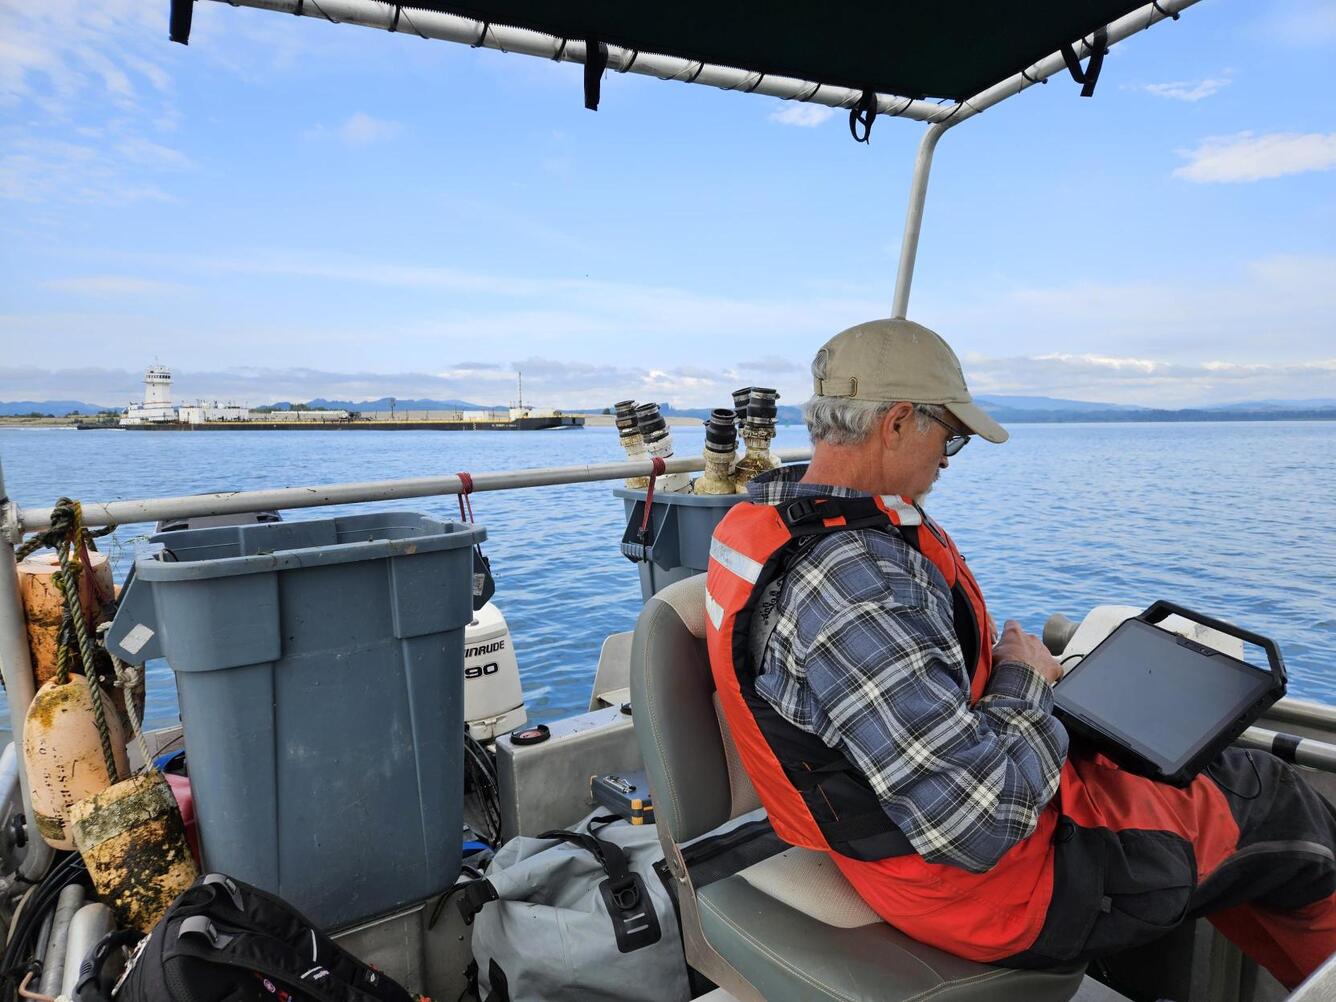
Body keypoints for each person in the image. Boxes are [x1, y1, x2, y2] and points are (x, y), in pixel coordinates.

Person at [703, 318, 1336, 990]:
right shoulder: (856, 586)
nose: (948, 459)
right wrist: (1025, 678)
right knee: (1274, 799)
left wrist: (1019, 692)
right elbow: (974, 825)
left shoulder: (770, 525)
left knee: (1195, 775)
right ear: (894, 425)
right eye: (952, 436)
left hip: (892, 840)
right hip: (985, 892)